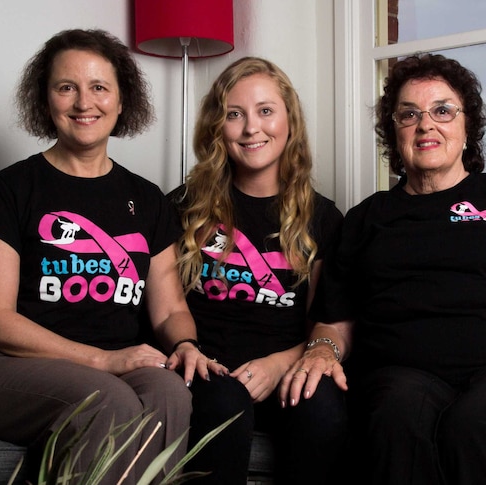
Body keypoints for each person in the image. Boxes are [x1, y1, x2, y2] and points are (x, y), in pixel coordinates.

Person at [279, 53, 486, 484]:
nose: (425, 124)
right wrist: (323, 348)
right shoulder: (365, 220)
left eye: (442, 111)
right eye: (408, 114)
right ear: (394, 133)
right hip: (400, 373)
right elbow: (333, 323)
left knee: (474, 427)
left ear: (467, 126)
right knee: (394, 419)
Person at [0, 29, 226, 484]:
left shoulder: (147, 199)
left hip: (114, 367)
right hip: (1, 367)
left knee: (170, 393)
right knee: (107, 398)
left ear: (121, 101)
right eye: (66, 87)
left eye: (98, 87)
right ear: (46, 99)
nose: (83, 103)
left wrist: (185, 344)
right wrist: (101, 361)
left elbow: (171, 307)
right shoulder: (13, 188)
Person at [170, 56, 347, 484]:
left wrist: (277, 365)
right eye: (235, 114)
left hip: (285, 366)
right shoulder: (181, 207)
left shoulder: (323, 217)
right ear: (218, 127)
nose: (252, 128)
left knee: (320, 401)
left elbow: (327, 324)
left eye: (266, 111)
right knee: (224, 402)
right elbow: (163, 308)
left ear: (290, 122)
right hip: (206, 372)